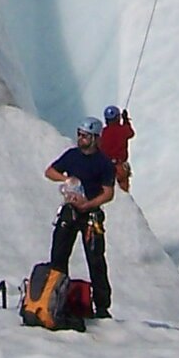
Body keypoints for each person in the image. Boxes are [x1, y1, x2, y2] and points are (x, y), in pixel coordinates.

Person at [44, 117, 116, 319]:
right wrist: (66, 179)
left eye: (84, 136)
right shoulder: (72, 155)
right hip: (70, 211)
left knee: (96, 261)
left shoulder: (103, 163)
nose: (80, 138)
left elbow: (108, 193)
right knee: (58, 255)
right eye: (79, 134)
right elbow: (50, 171)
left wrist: (88, 204)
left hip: (91, 215)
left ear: (94, 138)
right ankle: (56, 298)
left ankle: (102, 306)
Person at [98, 105, 134, 189]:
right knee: (123, 194)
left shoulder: (102, 132)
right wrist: (126, 120)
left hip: (105, 168)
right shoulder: (123, 129)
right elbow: (131, 133)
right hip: (120, 167)